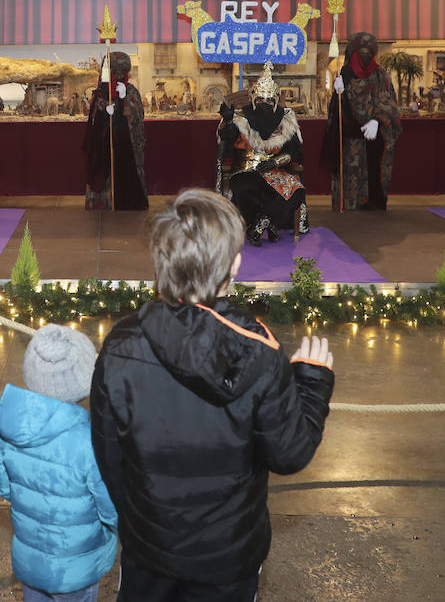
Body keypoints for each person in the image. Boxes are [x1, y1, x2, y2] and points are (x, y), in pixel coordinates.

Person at [90, 189, 335, 602]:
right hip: (227, 556)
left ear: (161, 261)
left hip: (149, 547)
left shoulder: (120, 344)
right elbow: (289, 453)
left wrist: (140, 521)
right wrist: (311, 384)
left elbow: (109, 456)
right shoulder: (260, 348)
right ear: (235, 264)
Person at [0, 325, 117, 602]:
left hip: (30, 560)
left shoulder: (9, 431)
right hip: (76, 568)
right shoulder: (90, 442)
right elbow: (110, 509)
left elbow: (2, 488)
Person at [219, 62, 309, 246]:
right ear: (253, 99)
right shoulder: (241, 118)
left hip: (275, 171)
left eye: (269, 100)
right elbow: (226, 139)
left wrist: (275, 163)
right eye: (260, 99)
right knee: (243, 187)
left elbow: (294, 152)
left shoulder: (286, 120)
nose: (264, 103)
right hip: (246, 170)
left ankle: (261, 223)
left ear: (275, 101)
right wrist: (228, 122)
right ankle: (263, 223)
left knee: (297, 191)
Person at [320, 31, 402, 211]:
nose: (365, 55)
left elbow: (389, 103)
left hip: (374, 138)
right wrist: (338, 94)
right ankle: (347, 203)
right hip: (349, 137)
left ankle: (372, 201)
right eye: (361, 51)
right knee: (349, 172)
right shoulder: (345, 73)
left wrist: (377, 121)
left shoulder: (380, 75)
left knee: (372, 171)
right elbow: (337, 111)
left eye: (368, 52)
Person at [83, 51, 148, 211]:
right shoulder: (101, 92)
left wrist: (123, 100)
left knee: (127, 172)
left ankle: (127, 201)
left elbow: (137, 118)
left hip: (126, 145)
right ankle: (103, 203)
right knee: (103, 172)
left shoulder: (131, 91)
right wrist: (105, 111)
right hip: (104, 145)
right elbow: (94, 118)